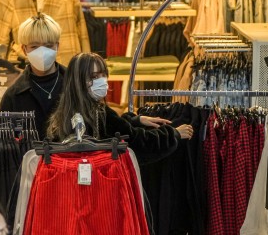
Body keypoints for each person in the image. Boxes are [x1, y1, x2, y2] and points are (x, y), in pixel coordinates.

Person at [47, 52, 192, 162]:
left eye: (103, 75)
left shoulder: (64, 114)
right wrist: (173, 134)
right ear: (79, 81)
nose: (102, 81)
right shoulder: (99, 113)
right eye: (94, 77)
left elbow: (115, 128)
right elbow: (139, 143)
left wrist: (135, 120)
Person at [0, 14, 66, 135]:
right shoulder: (13, 96)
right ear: (24, 49)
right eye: (34, 46)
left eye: (49, 45)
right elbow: (6, 146)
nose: (42, 51)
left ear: (57, 46)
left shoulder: (75, 85)